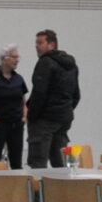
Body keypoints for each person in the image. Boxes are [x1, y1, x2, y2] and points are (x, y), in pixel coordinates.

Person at [25, 31, 80, 167]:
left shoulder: (45, 62)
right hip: (64, 119)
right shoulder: (71, 65)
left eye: (40, 43)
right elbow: (76, 94)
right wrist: (65, 110)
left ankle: (38, 183)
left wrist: (32, 116)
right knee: (59, 162)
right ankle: (61, 181)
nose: (36, 46)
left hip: (45, 120)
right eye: (36, 43)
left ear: (52, 45)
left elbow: (39, 93)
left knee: (38, 162)